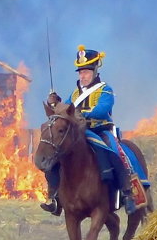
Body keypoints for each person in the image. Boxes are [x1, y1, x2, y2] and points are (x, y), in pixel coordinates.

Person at [41, 46, 138, 216]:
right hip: (79, 133)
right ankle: (55, 197)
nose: (82, 75)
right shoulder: (75, 93)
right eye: (80, 72)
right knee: (57, 155)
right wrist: (55, 104)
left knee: (113, 152)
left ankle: (127, 193)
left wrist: (80, 113)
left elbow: (102, 109)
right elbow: (66, 110)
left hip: (100, 130)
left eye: (86, 72)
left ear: (94, 71)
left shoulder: (105, 90)